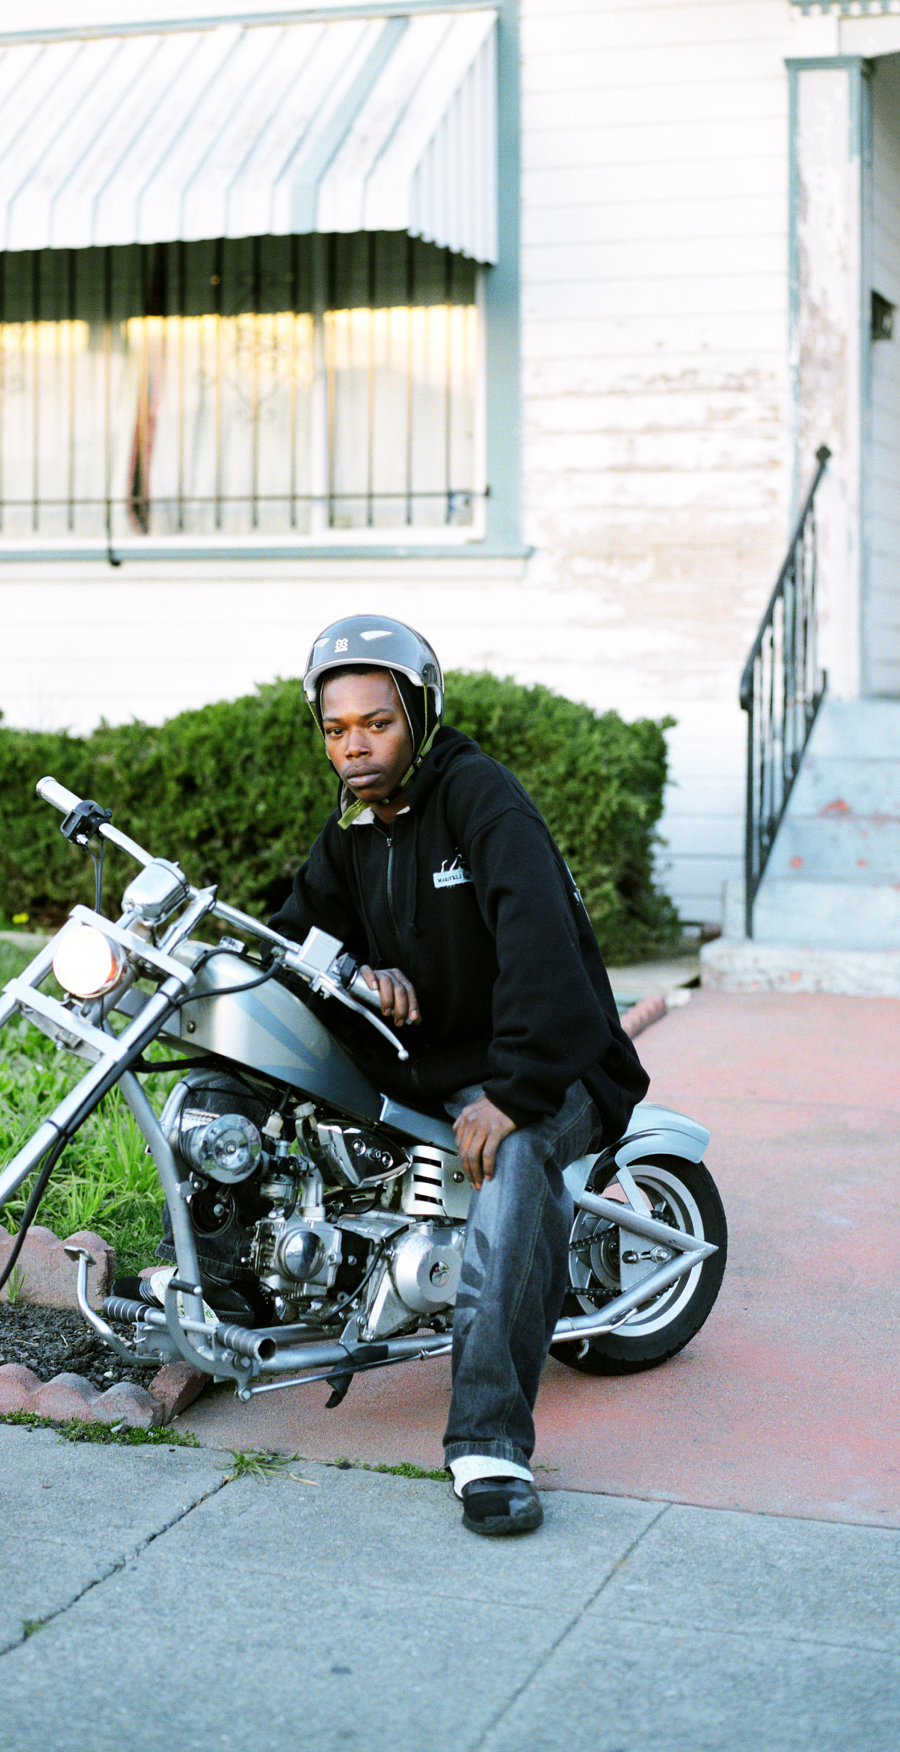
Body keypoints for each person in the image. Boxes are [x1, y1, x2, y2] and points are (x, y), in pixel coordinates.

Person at [268, 613, 649, 1536]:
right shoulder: (356, 828)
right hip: (436, 1065)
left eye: (376, 724)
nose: (353, 748)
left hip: (555, 1066)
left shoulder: (483, 802)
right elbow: (291, 936)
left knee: (516, 1167)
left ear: (421, 716)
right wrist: (356, 972)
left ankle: (488, 1444)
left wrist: (513, 1097)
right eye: (335, 729)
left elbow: (546, 964)